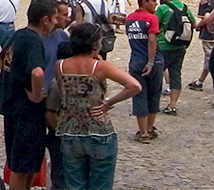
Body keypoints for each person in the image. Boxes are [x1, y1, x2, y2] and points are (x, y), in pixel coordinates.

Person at [46, 22, 142, 190]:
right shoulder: (100, 67)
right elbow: (134, 86)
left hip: (70, 131)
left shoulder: (60, 66)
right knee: (101, 184)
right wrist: (107, 104)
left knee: (74, 184)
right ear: (95, 44)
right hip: (98, 131)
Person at [0, 0, 55, 189]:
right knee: (22, 168)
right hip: (27, 111)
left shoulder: (18, 35)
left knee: (28, 165)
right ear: (46, 19)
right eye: (54, 18)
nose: (56, 23)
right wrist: (36, 94)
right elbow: (37, 72)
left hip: (12, 106)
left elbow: (1, 58)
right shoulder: (33, 40)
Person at [124, 0, 162, 141]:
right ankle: (149, 128)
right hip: (153, 60)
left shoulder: (130, 19)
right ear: (144, 2)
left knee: (139, 94)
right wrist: (151, 62)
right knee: (153, 94)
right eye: (153, 1)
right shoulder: (152, 19)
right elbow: (152, 40)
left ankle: (142, 131)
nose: (156, 4)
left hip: (135, 59)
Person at [156, 0, 195, 115]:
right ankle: (172, 105)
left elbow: (154, 25)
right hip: (180, 45)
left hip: (164, 45)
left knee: (156, 73)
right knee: (176, 74)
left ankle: (153, 103)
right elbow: (193, 24)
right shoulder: (185, 7)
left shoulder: (163, 8)